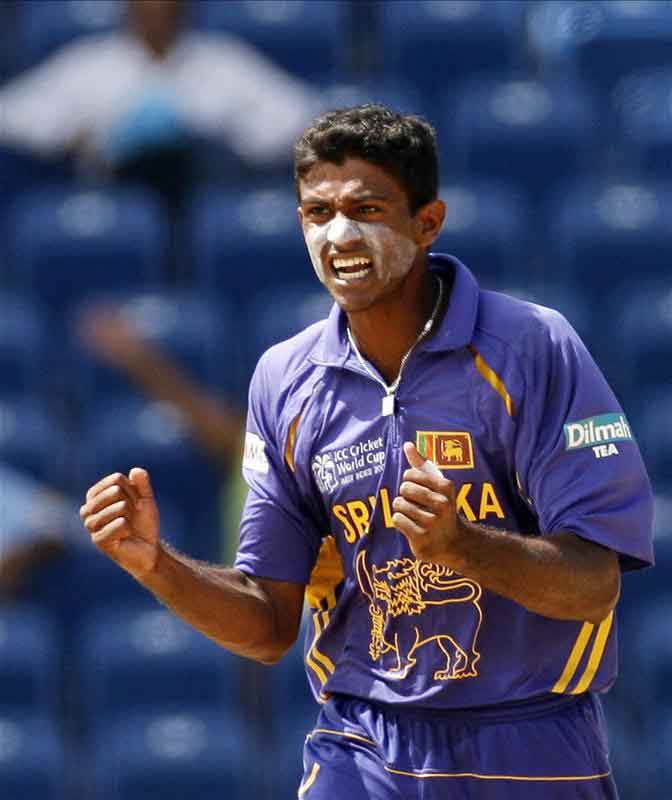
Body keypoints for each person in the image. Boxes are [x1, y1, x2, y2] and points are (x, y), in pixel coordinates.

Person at [80, 104, 654, 799]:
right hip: (361, 741)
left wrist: (461, 547)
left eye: (368, 208)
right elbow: (267, 624)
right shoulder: (284, 379)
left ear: (428, 222)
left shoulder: (533, 347)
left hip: (530, 741)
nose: (339, 233)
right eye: (317, 212)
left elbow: (596, 586)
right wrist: (157, 564)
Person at [0, 0, 318, 204]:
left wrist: (230, 138)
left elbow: (299, 116)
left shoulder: (223, 62)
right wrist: (72, 134)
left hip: (203, 191)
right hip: (113, 196)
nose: (157, 10)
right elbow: (12, 113)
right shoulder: (90, 64)